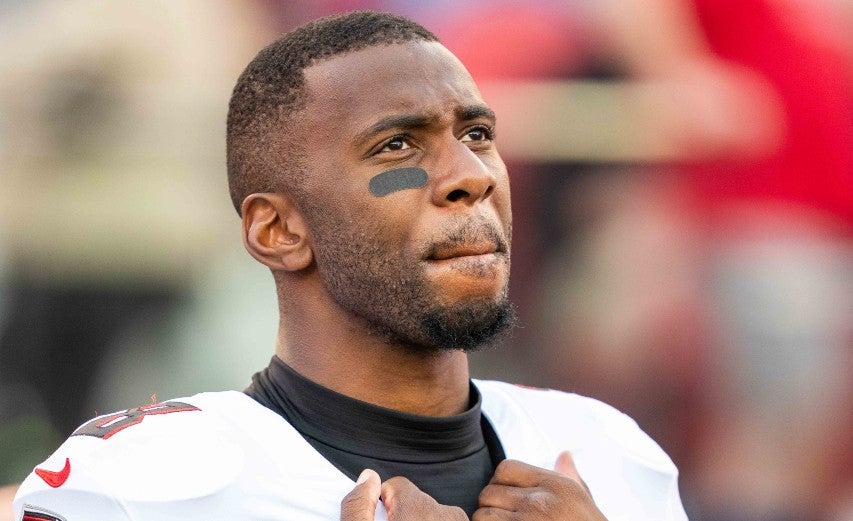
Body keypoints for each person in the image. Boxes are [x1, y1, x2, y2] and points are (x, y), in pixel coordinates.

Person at [13, 11, 688, 521]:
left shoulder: (608, 451)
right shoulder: (137, 483)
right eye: (397, 145)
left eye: (477, 135)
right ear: (278, 230)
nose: (470, 176)